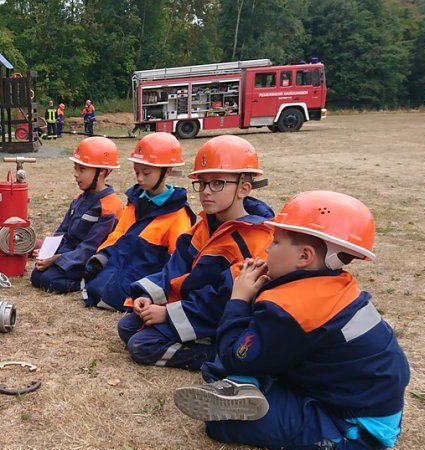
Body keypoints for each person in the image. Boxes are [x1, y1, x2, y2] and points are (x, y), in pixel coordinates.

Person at [173, 191, 410, 450]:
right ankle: (245, 386)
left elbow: (235, 354)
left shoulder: (293, 310)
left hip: (353, 426)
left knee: (222, 422)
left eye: (275, 242)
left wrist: (239, 298)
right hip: (353, 397)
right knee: (230, 365)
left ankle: (243, 386)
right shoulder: (330, 285)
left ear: (304, 257)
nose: (268, 249)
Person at [117, 135, 274, 370]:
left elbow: (219, 299)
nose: (206, 192)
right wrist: (148, 297)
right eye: (202, 183)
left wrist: (167, 314)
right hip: (192, 309)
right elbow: (175, 268)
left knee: (142, 345)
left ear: (244, 188)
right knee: (127, 326)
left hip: (219, 319)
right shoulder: (205, 225)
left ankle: (217, 354)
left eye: (217, 183)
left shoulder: (255, 240)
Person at [82, 133, 195, 311]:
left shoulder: (178, 214)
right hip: (116, 272)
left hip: (139, 283)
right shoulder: (135, 201)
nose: (140, 178)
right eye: (137, 172)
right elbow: (118, 234)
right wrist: (101, 257)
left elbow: (177, 263)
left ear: (167, 171)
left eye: (146, 173)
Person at [31, 136, 123, 293]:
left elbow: (90, 247)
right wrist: (48, 251)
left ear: (101, 171)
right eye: (76, 168)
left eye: (82, 169)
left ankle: (88, 283)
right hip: (70, 253)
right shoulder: (79, 199)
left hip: (88, 260)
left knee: (49, 280)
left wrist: (56, 259)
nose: (76, 174)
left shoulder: (110, 206)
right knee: (36, 276)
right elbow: (63, 231)